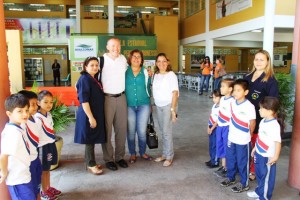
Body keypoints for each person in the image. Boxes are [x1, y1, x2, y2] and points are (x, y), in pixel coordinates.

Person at [244, 49, 279, 181]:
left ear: (267, 62)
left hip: (259, 121)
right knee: (245, 143)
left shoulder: (270, 81)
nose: (258, 62)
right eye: (256, 59)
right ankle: (245, 166)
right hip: (244, 118)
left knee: (255, 145)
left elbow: (273, 102)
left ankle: (253, 171)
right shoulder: (247, 77)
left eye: (262, 59)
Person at [220, 79, 256, 193]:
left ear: (246, 92)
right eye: (234, 90)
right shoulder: (232, 103)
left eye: (238, 90)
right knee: (231, 159)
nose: (235, 93)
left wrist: (248, 135)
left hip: (243, 140)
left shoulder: (249, 106)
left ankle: (244, 183)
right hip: (232, 137)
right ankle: (231, 178)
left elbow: (252, 122)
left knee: (242, 161)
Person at [247, 96, 284, 200]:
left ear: (270, 111)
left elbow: (278, 142)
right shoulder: (263, 121)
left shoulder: (274, 125)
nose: (259, 110)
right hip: (259, 153)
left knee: (266, 177)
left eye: (261, 108)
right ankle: (260, 192)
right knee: (259, 175)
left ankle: (264, 197)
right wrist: (255, 148)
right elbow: (260, 136)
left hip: (267, 157)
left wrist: (275, 157)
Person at [0, 93, 36, 200]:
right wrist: (4, 172)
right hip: (17, 180)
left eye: (26, 110)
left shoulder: (19, 127)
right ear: (9, 114)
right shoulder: (12, 133)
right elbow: (4, 155)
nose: (25, 114)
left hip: (24, 175)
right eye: (20, 111)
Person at [74, 56, 106, 175]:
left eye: (96, 65)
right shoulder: (84, 79)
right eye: (92, 65)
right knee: (89, 140)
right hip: (88, 113)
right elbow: (84, 100)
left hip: (94, 112)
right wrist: (91, 117)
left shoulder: (93, 78)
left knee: (91, 139)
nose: (95, 67)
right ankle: (91, 164)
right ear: (85, 67)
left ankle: (90, 161)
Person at [101, 37, 128, 171]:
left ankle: (120, 157)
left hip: (122, 97)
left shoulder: (123, 59)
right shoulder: (101, 60)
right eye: (112, 46)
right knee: (107, 130)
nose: (115, 48)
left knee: (121, 129)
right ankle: (108, 159)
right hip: (107, 99)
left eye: (117, 46)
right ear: (107, 47)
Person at [125, 49, 152, 163]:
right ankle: (132, 153)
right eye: (134, 56)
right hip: (129, 105)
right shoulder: (125, 72)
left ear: (142, 60)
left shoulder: (146, 72)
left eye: (139, 57)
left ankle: (142, 152)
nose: (136, 58)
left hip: (144, 105)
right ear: (130, 59)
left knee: (141, 131)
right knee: (130, 131)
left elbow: (151, 87)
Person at [152, 53, 179, 167]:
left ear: (167, 62)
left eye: (164, 61)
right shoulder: (156, 75)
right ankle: (164, 154)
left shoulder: (171, 75)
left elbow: (175, 93)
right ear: (156, 63)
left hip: (168, 106)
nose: (161, 63)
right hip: (158, 106)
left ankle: (169, 156)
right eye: (159, 61)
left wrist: (173, 110)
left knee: (167, 132)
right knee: (162, 131)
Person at [35, 90, 61, 200]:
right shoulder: (37, 117)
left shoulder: (48, 114)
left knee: (48, 168)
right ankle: (44, 191)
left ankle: (48, 187)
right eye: (45, 102)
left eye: (51, 102)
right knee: (44, 170)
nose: (49, 105)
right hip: (43, 146)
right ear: (38, 102)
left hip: (50, 144)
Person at [19, 90, 43, 200]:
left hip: (35, 157)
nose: (35, 107)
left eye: (35, 104)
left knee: (37, 185)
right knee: (31, 188)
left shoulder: (35, 118)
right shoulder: (23, 122)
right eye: (32, 104)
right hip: (28, 162)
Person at [214, 78, 234, 177]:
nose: (220, 88)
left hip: (227, 127)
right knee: (220, 145)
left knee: (227, 147)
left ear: (230, 89)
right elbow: (220, 113)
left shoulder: (232, 101)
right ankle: (223, 166)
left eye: (223, 86)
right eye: (221, 86)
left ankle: (228, 167)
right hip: (220, 126)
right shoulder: (222, 99)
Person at [205, 89, 222, 168]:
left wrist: (212, 128)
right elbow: (211, 116)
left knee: (215, 145)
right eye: (213, 97)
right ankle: (212, 159)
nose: (213, 99)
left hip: (216, 127)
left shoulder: (221, 108)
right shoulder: (214, 106)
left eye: (216, 97)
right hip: (211, 125)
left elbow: (218, 120)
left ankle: (215, 161)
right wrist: (208, 126)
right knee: (211, 144)